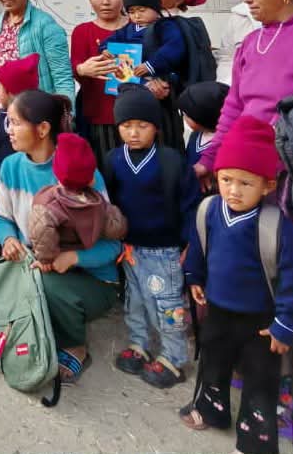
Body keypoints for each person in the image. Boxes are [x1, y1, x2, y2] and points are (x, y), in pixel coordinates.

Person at [195, 0, 293, 436]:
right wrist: (212, 158)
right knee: (257, 270)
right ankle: (260, 371)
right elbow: (235, 107)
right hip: (252, 184)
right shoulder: (250, 44)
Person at [0, 90, 121, 383]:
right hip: (33, 263)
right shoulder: (10, 166)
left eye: (15, 123)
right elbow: (3, 218)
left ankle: (74, 346)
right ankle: (28, 332)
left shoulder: (78, 172)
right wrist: (9, 240)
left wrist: (72, 258)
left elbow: (112, 245)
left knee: (45, 287)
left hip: (91, 277)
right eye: (8, 123)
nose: (8, 131)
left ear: (43, 128)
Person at [180, 116, 293, 454]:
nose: (233, 190)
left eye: (245, 182)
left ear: (267, 185)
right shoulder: (210, 210)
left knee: (260, 380)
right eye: (226, 179)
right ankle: (212, 409)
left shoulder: (277, 227)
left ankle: (255, 441)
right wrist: (195, 277)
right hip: (218, 311)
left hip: (262, 322)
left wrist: (285, 325)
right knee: (213, 363)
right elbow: (199, 247)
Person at [105, 84, 200, 388]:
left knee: (167, 304)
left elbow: (190, 205)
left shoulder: (171, 161)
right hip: (129, 249)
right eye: (126, 125)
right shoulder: (113, 160)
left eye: (142, 125)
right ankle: (139, 344)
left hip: (164, 250)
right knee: (134, 299)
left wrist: (188, 244)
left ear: (156, 127)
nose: (134, 133)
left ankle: (174, 356)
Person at [101, 0, 187, 151]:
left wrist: (150, 66)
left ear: (156, 7)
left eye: (142, 10)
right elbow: (110, 41)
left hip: (161, 87)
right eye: (132, 12)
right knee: (137, 130)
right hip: (134, 88)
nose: (137, 16)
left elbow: (174, 48)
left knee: (164, 132)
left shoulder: (165, 27)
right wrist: (105, 50)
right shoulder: (128, 29)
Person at [27, 132, 126, 267]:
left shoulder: (47, 202)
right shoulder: (96, 201)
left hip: (59, 262)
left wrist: (46, 260)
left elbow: (42, 233)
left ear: (57, 172)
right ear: (91, 179)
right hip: (94, 263)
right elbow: (117, 227)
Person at [70, 0, 129, 167]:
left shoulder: (138, 28)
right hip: (99, 117)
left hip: (137, 116)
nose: (105, 2)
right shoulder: (82, 31)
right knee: (106, 169)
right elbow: (74, 67)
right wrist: (82, 69)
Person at [0, 54, 40, 189]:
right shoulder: (0, 117)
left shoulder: (33, 120)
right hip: (2, 180)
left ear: (10, 91)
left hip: (25, 183)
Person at [178, 81, 229, 171]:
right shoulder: (196, 135)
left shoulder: (223, 146)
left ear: (202, 119)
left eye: (185, 114)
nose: (183, 117)